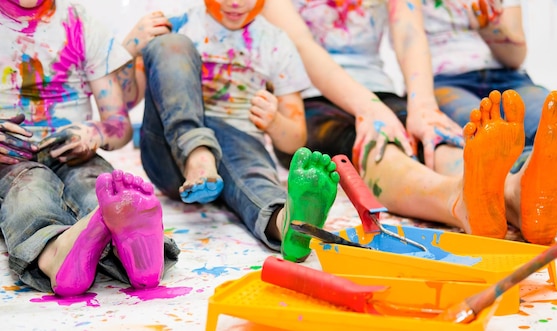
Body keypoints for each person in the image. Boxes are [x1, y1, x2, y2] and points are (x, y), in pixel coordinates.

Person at [261, 0, 557, 245]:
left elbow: (409, 35)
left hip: (378, 91)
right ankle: (458, 202)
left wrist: (423, 108)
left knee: (436, 141)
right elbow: (302, 47)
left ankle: (516, 196)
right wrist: (370, 109)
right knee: (382, 147)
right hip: (308, 100)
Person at [129, 0, 340, 263]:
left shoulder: (275, 42)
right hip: (170, 155)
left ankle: (289, 222)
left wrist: (274, 122)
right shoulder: (176, 25)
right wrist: (130, 51)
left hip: (238, 145)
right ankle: (197, 152)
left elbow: (295, 139)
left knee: (253, 177)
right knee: (169, 44)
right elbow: (126, 102)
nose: (235, 3)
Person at [0, 0, 178, 296]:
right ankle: (56, 256)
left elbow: (118, 123)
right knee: (30, 192)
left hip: (75, 152)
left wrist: (93, 133)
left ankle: (130, 249)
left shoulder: (83, 24)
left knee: (98, 187)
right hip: (12, 159)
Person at [421, 0, 557, 218]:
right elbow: (411, 40)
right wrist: (421, 103)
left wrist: (489, 26)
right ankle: (542, 183)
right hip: (444, 83)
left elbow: (515, 57)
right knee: (490, 138)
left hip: (510, 77)